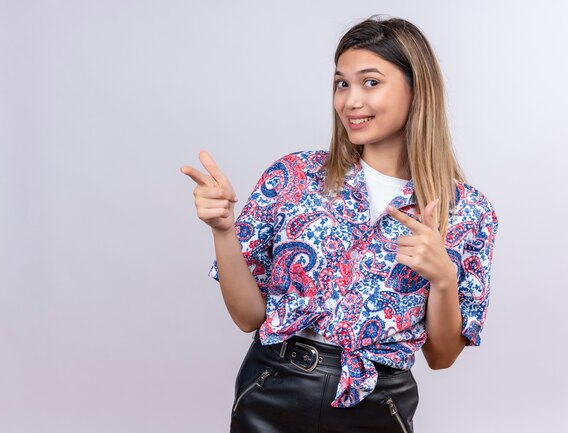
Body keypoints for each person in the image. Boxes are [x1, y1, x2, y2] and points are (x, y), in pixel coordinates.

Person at [180, 14, 499, 433]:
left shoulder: (468, 212)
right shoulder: (293, 176)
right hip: (274, 388)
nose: (350, 101)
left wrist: (442, 279)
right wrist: (222, 229)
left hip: (377, 405)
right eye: (341, 83)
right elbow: (249, 317)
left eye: (370, 82)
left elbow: (442, 357)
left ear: (416, 90)